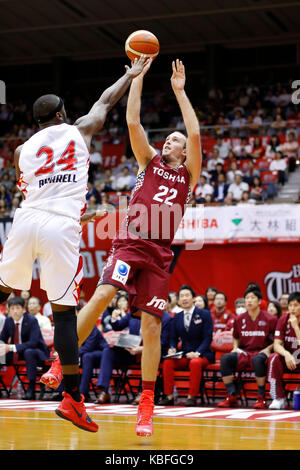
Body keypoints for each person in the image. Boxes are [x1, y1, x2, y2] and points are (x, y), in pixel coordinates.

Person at [41, 58, 202, 437]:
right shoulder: (148, 161)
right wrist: (137, 78)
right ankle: (58, 361)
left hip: (160, 254)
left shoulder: (188, 174)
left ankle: (146, 406)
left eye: (175, 140)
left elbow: (194, 134)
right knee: (100, 297)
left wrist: (180, 92)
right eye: (169, 138)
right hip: (130, 243)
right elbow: (133, 122)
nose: (171, 141)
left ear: (183, 152)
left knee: (151, 325)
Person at [0, 57, 148, 432]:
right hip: (59, 226)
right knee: (65, 313)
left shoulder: (20, 151)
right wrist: (130, 74)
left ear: (36, 122)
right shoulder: (80, 130)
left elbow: (39, 188)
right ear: (63, 113)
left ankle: (71, 399)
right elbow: (105, 101)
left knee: (2, 290)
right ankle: (72, 400)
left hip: (25, 220)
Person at [217, 288, 277, 409]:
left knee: (258, 360)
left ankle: (261, 397)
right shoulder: (239, 319)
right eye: (247, 298)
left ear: (259, 301)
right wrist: (235, 347)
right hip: (245, 352)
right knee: (225, 359)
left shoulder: (270, 319)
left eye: (252, 298)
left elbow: (278, 340)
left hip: (262, 352)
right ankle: (232, 395)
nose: (249, 300)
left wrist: (268, 349)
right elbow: (236, 337)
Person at [159, 285, 213, 406]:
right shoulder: (177, 317)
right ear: (178, 301)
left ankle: (191, 396)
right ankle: (168, 396)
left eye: (187, 295)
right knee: (168, 362)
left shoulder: (204, 314)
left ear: (193, 298)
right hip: (184, 353)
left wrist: (197, 353)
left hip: (202, 354)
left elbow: (208, 338)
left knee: (195, 362)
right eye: (181, 296)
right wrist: (172, 348)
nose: (184, 298)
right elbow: (173, 337)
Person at [0, 296, 49, 399]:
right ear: (8, 310)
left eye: (17, 308)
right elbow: (2, 338)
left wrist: (11, 347)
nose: (15, 312)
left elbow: (33, 342)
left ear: (23, 309)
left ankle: (30, 389)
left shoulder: (32, 320)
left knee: (29, 352)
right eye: (12, 309)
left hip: (36, 351)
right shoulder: (8, 321)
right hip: (17, 352)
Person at [267, 292, 300, 409]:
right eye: (290, 305)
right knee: (273, 358)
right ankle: (278, 398)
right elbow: (277, 345)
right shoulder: (283, 319)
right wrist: (286, 354)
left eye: (296, 305)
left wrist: (296, 327)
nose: (292, 308)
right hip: (290, 358)